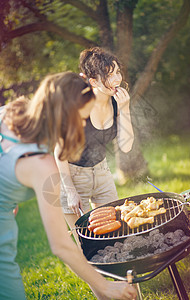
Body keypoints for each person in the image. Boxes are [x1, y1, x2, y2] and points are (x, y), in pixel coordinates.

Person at [0, 71, 137, 300]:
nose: (84, 125)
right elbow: (61, 245)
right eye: (82, 118)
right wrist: (105, 287)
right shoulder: (43, 166)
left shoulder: (13, 111)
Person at [54, 47, 134, 243]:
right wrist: (71, 190)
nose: (117, 79)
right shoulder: (78, 106)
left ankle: (120, 273)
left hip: (102, 171)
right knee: (87, 241)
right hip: (72, 176)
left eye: (117, 72)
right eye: (108, 75)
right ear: (93, 82)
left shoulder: (117, 103)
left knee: (114, 236)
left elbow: (126, 147)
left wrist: (125, 109)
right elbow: (59, 151)